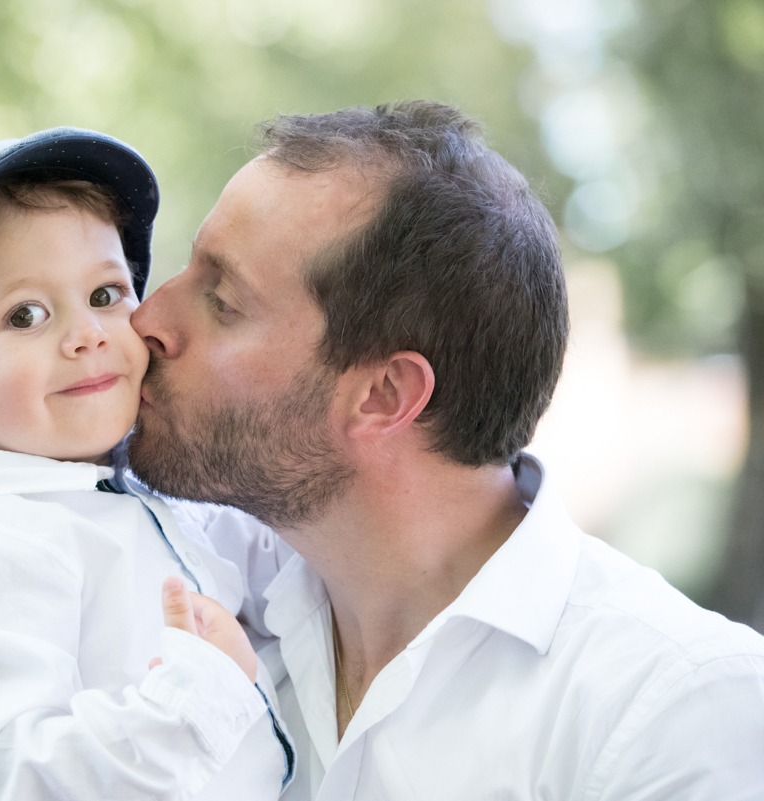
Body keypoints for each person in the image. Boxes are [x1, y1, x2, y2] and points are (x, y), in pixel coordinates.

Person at [127, 101, 764, 799]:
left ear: (383, 394)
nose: (146, 318)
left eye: (222, 300)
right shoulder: (196, 621)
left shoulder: (673, 708)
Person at [0, 128, 293, 801]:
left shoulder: (151, 495)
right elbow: (9, 778)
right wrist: (201, 693)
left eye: (107, 295)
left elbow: (295, 578)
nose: (88, 333)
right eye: (25, 314)